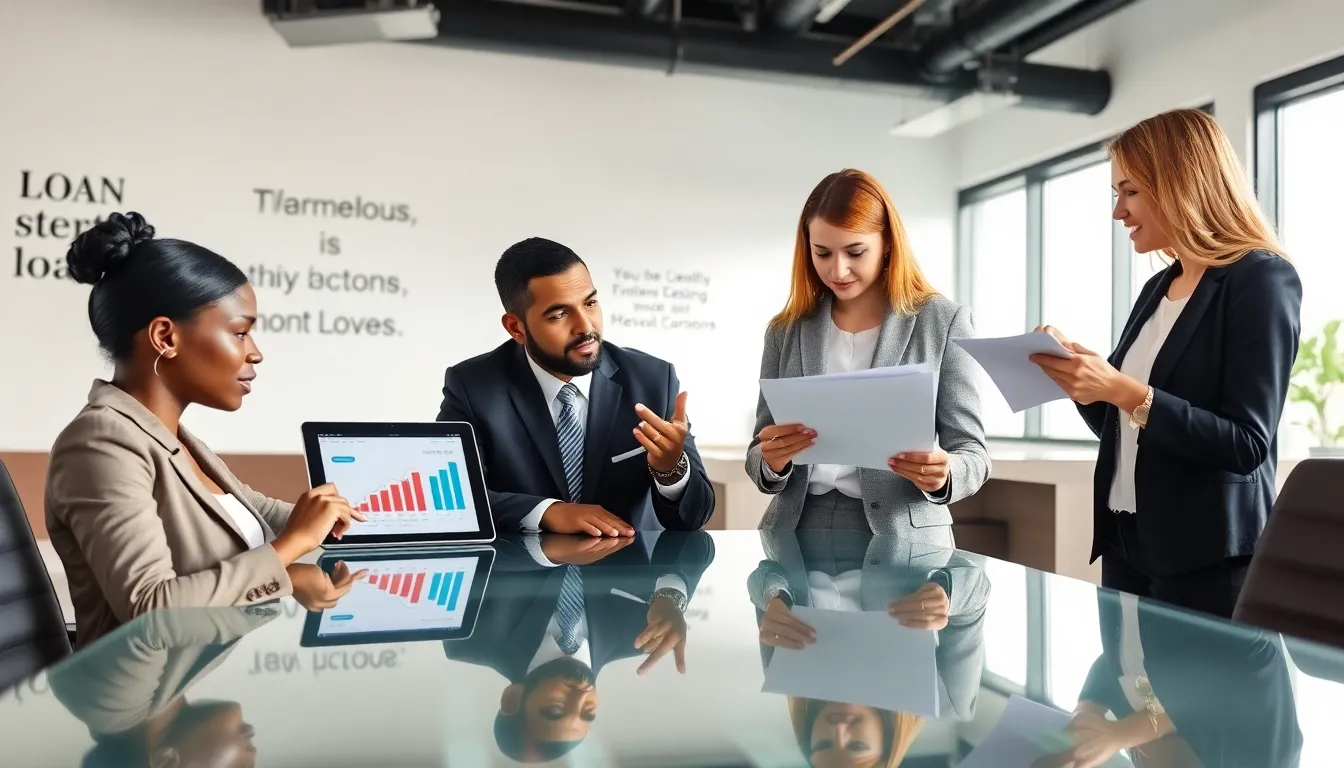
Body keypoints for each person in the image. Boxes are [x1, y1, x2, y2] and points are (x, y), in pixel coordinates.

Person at [45, 212, 365, 648]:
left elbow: (246, 509)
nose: (255, 354)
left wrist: (335, 522)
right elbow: (149, 610)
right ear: (165, 337)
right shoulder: (100, 444)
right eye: (240, 333)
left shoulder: (168, 434)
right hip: (144, 704)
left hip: (195, 678)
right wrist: (290, 551)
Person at [1030, 109, 1303, 618]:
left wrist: (1123, 390)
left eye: (1129, 191)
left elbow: (1246, 443)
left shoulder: (1260, 281)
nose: (1119, 212)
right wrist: (1083, 381)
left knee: (1197, 699)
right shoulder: (1159, 287)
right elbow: (1126, 425)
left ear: (1182, 184)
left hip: (1207, 560)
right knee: (1119, 698)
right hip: (1126, 544)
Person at [746, 169, 989, 539]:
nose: (837, 269)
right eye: (822, 253)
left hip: (900, 534)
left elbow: (972, 451)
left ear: (888, 242)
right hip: (795, 532)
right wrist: (772, 461)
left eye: (855, 252)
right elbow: (759, 449)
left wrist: (946, 473)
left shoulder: (942, 321)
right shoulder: (786, 330)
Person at [437, 237, 715, 535]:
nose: (585, 327)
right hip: (521, 576)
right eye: (559, 314)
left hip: (630, 574)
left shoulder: (653, 379)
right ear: (516, 328)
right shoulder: (472, 386)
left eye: (590, 303)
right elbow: (452, 500)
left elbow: (694, 518)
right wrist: (546, 512)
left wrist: (670, 469)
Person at [443, 531, 714, 762]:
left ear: (513, 699)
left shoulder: (469, 637)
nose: (581, 697)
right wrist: (672, 594)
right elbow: (696, 538)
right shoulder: (641, 635)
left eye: (556, 710)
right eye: (588, 712)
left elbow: (454, 544)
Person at [747, 531, 990, 767]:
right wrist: (946, 592)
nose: (838, 729)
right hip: (906, 526)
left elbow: (764, 574)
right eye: (857, 746)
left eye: (822, 744)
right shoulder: (948, 701)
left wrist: (773, 594)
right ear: (888, 744)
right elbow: (977, 591)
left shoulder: (787, 674)